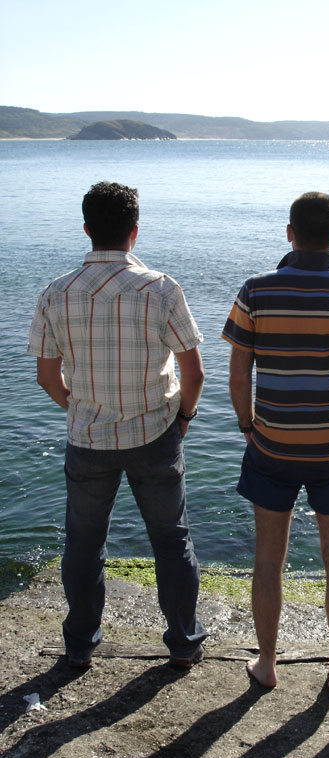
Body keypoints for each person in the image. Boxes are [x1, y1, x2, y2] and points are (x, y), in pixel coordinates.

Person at [27, 181, 206, 670]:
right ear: (135, 231)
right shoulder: (162, 289)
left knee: (84, 545)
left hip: (87, 438)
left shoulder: (56, 293)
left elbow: (46, 377)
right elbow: (194, 374)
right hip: (156, 435)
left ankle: (80, 645)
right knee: (171, 541)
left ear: (86, 229)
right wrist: (184, 417)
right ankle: (184, 643)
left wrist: (79, 407)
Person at [222, 191, 329, 690]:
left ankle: (267, 664)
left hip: (270, 444)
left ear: (289, 234)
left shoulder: (255, 291)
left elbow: (238, 375)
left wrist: (249, 426)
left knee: (267, 558)